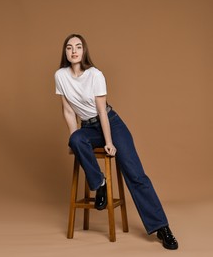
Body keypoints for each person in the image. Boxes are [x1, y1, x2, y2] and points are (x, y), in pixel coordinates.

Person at [54, 33, 178, 250]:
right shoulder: (60, 76)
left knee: (135, 174)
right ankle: (100, 184)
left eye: (78, 47)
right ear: (65, 52)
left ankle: (162, 227)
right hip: (88, 128)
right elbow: (67, 109)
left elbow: (102, 112)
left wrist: (109, 142)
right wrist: (75, 139)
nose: (74, 51)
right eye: (69, 47)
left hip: (111, 124)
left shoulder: (95, 75)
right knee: (75, 138)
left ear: (84, 51)